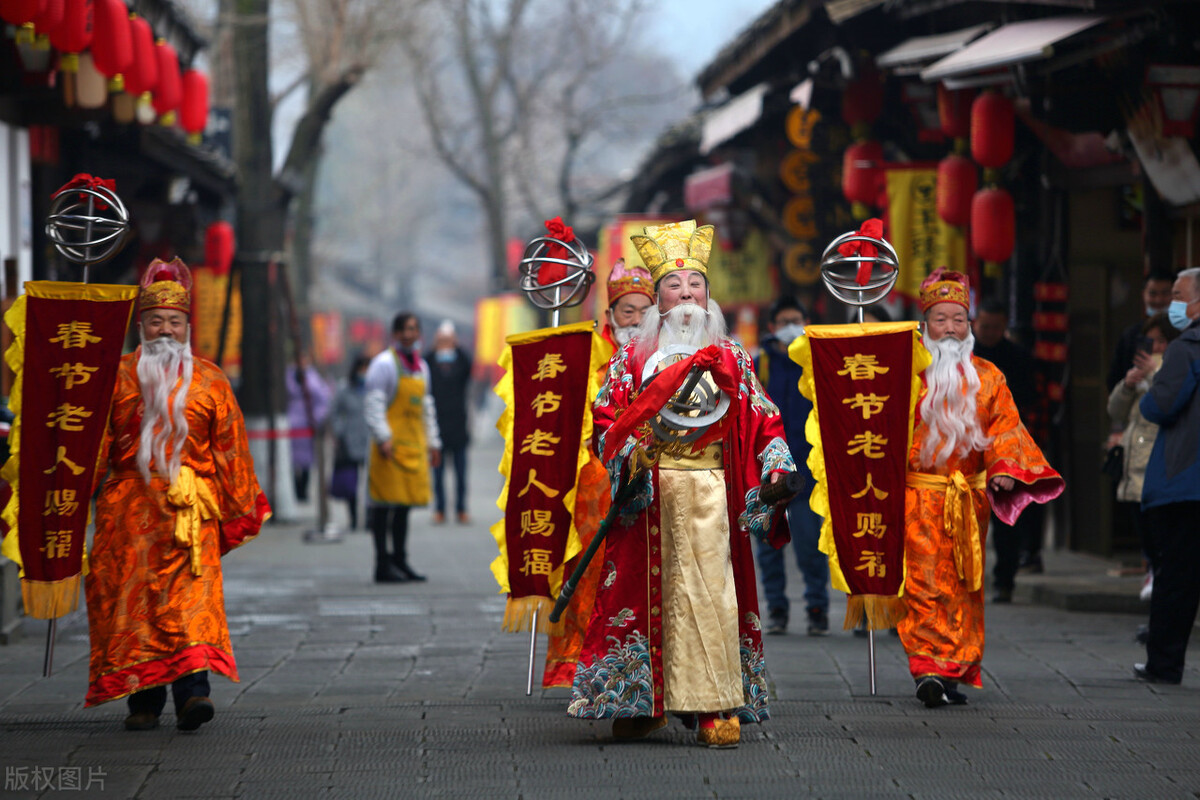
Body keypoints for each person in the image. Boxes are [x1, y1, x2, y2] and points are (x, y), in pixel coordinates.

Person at [568, 220, 795, 748]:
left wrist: (777, 468)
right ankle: (646, 702)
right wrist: (631, 456)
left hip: (713, 490)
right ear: (658, 299)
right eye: (675, 285)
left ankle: (714, 705)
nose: (687, 293)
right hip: (652, 494)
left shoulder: (733, 357)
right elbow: (605, 420)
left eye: (695, 283)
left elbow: (764, 418)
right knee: (650, 599)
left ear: (709, 295)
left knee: (712, 599)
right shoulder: (632, 358)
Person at [86, 257, 270, 731]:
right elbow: (91, 447)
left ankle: (194, 695)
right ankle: (143, 702)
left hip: (191, 513)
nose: (164, 330)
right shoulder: (114, 377)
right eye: (155, 321)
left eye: (174, 322)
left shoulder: (210, 379)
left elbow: (231, 449)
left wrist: (238, 506)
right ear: (140, 326)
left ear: (187, 326)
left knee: (191, 603)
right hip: (128, 514)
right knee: (138, 606)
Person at [900, 268, 1063, 708]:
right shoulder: (905, 371)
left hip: (967, 500)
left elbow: (1006, 427)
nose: (950, 328)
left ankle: (951, 667)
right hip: (916, 496)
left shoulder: (988, 377)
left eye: (958, 319)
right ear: (925, 323)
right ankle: (926, 665)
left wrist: (1003, 466)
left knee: (964, 584)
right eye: (941, 319)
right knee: (922, 581)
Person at [1135, 267, 1200, 685]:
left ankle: (1164, 662)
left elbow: (1161, 405)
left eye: (1179, 295)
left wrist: (1148, 387)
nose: (1171, 304)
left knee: (1176, 576)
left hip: (1184, 480)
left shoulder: (1186, 348)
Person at [754, 296, 829, 636]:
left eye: (795, 319)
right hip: (766, 472)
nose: (789, 326)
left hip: (808, 471)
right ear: (772, 327)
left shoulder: (816, 361)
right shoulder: (759, 365)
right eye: (783, 320)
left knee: (810, 544)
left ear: (806, 321)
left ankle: (817, 609)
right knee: (768, 548)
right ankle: (777, 611)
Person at [971, 299, 1045, 601]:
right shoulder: (963, 356)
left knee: (1006, 516)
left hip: (1006, 446)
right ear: (975, 324)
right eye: (984, 327)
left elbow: (1031, 401)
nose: (989, 332)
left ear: (1004, 327)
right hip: (967, 446)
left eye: (995, 327)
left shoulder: (1019, 358)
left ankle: (1005, 580)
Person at [1107, 313, 1178, 609]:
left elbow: (1171, 399)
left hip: (1160, 462)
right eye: (1152, 342)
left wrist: (1153, 373)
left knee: (1162, 535)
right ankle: (1152, 575)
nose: (1156, 348)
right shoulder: (1141, 369)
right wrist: (1127, 385)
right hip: (1134, 461)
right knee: (1144, 530)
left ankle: (1160, 584)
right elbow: (1115, 411)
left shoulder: (1175, 367)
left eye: (1162, 341)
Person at [365, 312, 442, 583]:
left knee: (404, 507)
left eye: (414, 329)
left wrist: (434, 442)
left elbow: (426, 409)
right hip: (388, 448)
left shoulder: (421, 368)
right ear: (395, 334)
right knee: (383, 507)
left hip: (412, 447)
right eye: (405, 329)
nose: (410, 334)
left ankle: (400, 560)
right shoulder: (383, 364)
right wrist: (383, 437)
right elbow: (374, 405)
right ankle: (382, 564)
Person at [425, 320, 473, 525]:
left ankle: (461, 508)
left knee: (461, 474)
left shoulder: (459, 364)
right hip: (437, 428)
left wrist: (457, 344)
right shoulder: (430, 364)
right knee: (438, 474)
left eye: (448, 340)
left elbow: (469, 364)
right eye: (442, 340)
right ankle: (440, 509)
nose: (445, 345)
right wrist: (436, 344)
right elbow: (423, 362)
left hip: (459, 428)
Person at [1107, 272, 1174, 391]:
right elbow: (1115, 379)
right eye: (1153, 294)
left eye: (1165, 293)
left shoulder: (1184, 332)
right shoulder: (1130, 335)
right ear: (1143, 295)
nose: (1159, 300)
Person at [330, 355, 371, 530]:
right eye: (362, 368)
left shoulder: (374, 388)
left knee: (372, 483)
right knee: (350, 482)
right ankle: (353, 518)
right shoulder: (344, 388)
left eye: (367, 368)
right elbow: (334, 412)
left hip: (371, 440)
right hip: (349, 442)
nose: (364, 372)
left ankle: (371, 518)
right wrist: (340, 431)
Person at [286, 354, 333, 502]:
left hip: (307, 426)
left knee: (306, 461)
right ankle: (294, 490)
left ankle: (303, 491)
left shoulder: (313, 378)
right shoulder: (288, 376)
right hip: (290, 426)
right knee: (291, 462)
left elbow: (323, 400)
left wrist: (316, 419)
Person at [600, 258, 654, 350]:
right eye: (628, 312)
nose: (637, 321)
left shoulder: (664, 357)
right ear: (609, 316)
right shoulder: (594, 357)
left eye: (645, 313)